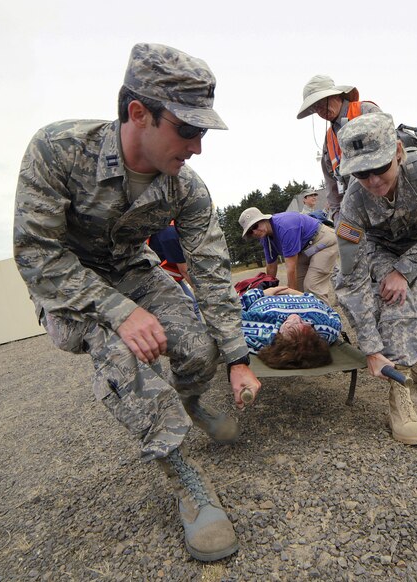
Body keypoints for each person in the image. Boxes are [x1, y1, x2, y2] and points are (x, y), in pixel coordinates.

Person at [13, 43, 261, 563]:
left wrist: (237, 358)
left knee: (197, 345)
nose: (197, 147)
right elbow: (37, 253)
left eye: (203, 132)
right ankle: (186, 482)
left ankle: (190, 403)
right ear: (138, 113)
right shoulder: (58, 150)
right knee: (127, 354)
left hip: (133, 271)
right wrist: (121, 313)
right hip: (67, 289)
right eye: (188, 130)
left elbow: (212, 271)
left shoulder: (186, 189)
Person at [333, 112, 417, 446]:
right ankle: (399, 390)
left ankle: (416, 360)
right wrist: (371, 348)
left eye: (380, 167)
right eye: (362, 173)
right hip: (378, 250)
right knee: (396, 307)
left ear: (398, 153)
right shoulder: (353, 204)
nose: (373, 180)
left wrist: (405, 269)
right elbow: (350, 280)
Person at [297, 75, 381, 221]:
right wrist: (336, 215)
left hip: (384, 200)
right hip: (359, 214)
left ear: (335, 95)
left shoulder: (365, 111)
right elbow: (330, 181)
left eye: (321, 103)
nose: (320, 111)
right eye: (315, 108)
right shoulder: (328, 138)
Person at [239, 208, 338, 305]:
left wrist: (291, 299)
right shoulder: (265, 238)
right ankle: (307, 317)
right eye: (250, 232)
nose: (255, 232)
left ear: (263, 219)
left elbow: (291, 268)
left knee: (312, 286)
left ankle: (326, 318)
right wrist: (268, 292)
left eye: (255, 226)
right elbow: (271, 266)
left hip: (323, 242)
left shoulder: (285, 227)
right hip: (306, 249)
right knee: (299, 288)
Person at [240, 285, 341, 369]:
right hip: (300, 295)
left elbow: (234, 309)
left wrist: (263, 293)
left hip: (266, 295)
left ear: (280, 338)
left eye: (291, 326)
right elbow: (331, 312)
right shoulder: (327, 330)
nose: (297, 317)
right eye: (306, 324)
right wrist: (299, 294)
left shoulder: (259, 333)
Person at [148, 224, 201, 320]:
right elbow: (185, 271)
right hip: (155, 279)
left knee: (193, 306)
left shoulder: (175, 229)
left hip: (170, 276)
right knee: (190, 307)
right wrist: (201, 293)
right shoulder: (170, 234)